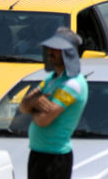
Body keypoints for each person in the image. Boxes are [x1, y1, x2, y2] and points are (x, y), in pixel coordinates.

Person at [21, 28, 88, 179]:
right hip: (37, 154)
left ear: (68, 53)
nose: (51, 52)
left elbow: (44, 120)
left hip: (55, 159)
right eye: (50, 48)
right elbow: (23, 106)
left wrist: (33, 106)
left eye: (56, 49)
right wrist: (34, 104)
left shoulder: (73, 84)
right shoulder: (52, 79)